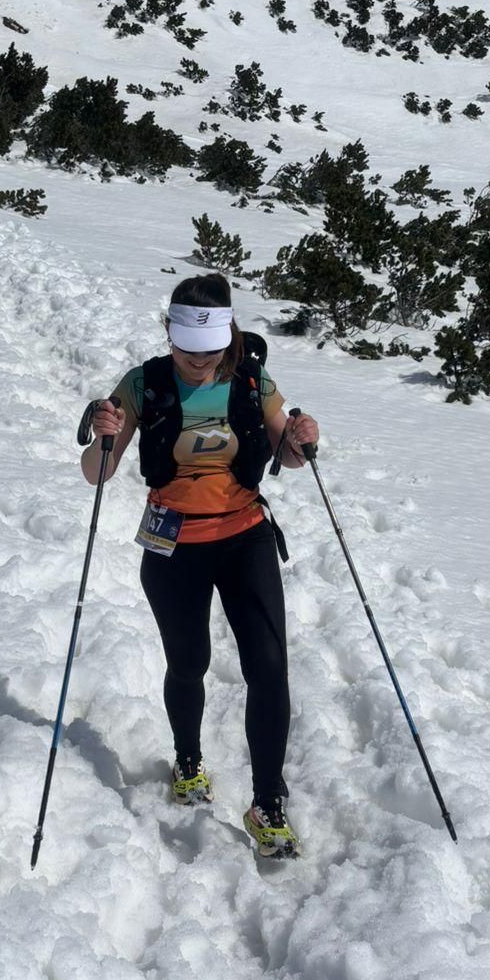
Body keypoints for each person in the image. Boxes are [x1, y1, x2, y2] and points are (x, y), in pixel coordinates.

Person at [83, 273, 319, 858]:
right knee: (189, 663)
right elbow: (98, 473)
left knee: (269, 666)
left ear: (228, 336)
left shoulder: (252, 379)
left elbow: (288, 455)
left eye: (210, 349)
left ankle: (268, 803)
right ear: (170, 332)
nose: (197, 359)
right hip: (173, 544)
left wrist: (301, 438)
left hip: (245, 536)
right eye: (186, 347)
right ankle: (188, 761)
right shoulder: (143, 384)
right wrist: (103, 437)